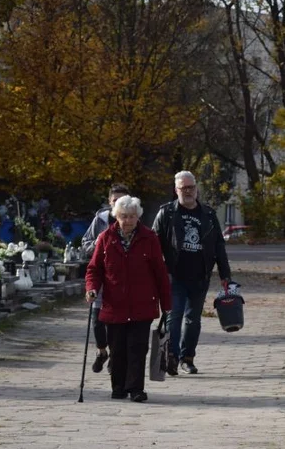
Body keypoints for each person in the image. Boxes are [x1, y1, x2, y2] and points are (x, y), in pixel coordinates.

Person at [85, 196, 172, 402]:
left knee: (138, 347)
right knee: (117, 349)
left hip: (142, 303)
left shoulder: (149, 237)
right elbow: (94, 269)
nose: (128, 221)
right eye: (124, 216)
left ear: (138, 217)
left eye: (132, 216)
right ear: (116, 216)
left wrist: (167, 305)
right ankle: (118, 387)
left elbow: (160, 273)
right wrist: (92, 289)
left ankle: (136, 389)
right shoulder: (106, 237)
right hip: (114, 304)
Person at [152, 170, 231, 375]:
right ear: (176, 190)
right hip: (174, 275)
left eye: (191, 187)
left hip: (200, 276)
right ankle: (172, 356)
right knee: (174, 316)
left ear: (196, 189)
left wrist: (225, 275)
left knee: (193, 319)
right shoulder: (167, 213)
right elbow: (152, 245)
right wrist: (154, 272)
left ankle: (188, 358)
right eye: (183, 188)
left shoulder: (209, 215)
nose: (188, 191)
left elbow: (219, 246)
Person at [81, 183, 131, 374]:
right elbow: (85, 244)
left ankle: (115, 356)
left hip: (121, 279)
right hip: (101, 275)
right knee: (97, 319)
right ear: (110, 202)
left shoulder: (133, 220)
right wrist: (100, 243)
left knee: (116, 323)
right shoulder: (101, 220)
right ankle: (102, 351)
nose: (119, 204)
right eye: (115, 201)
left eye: (122, 200)